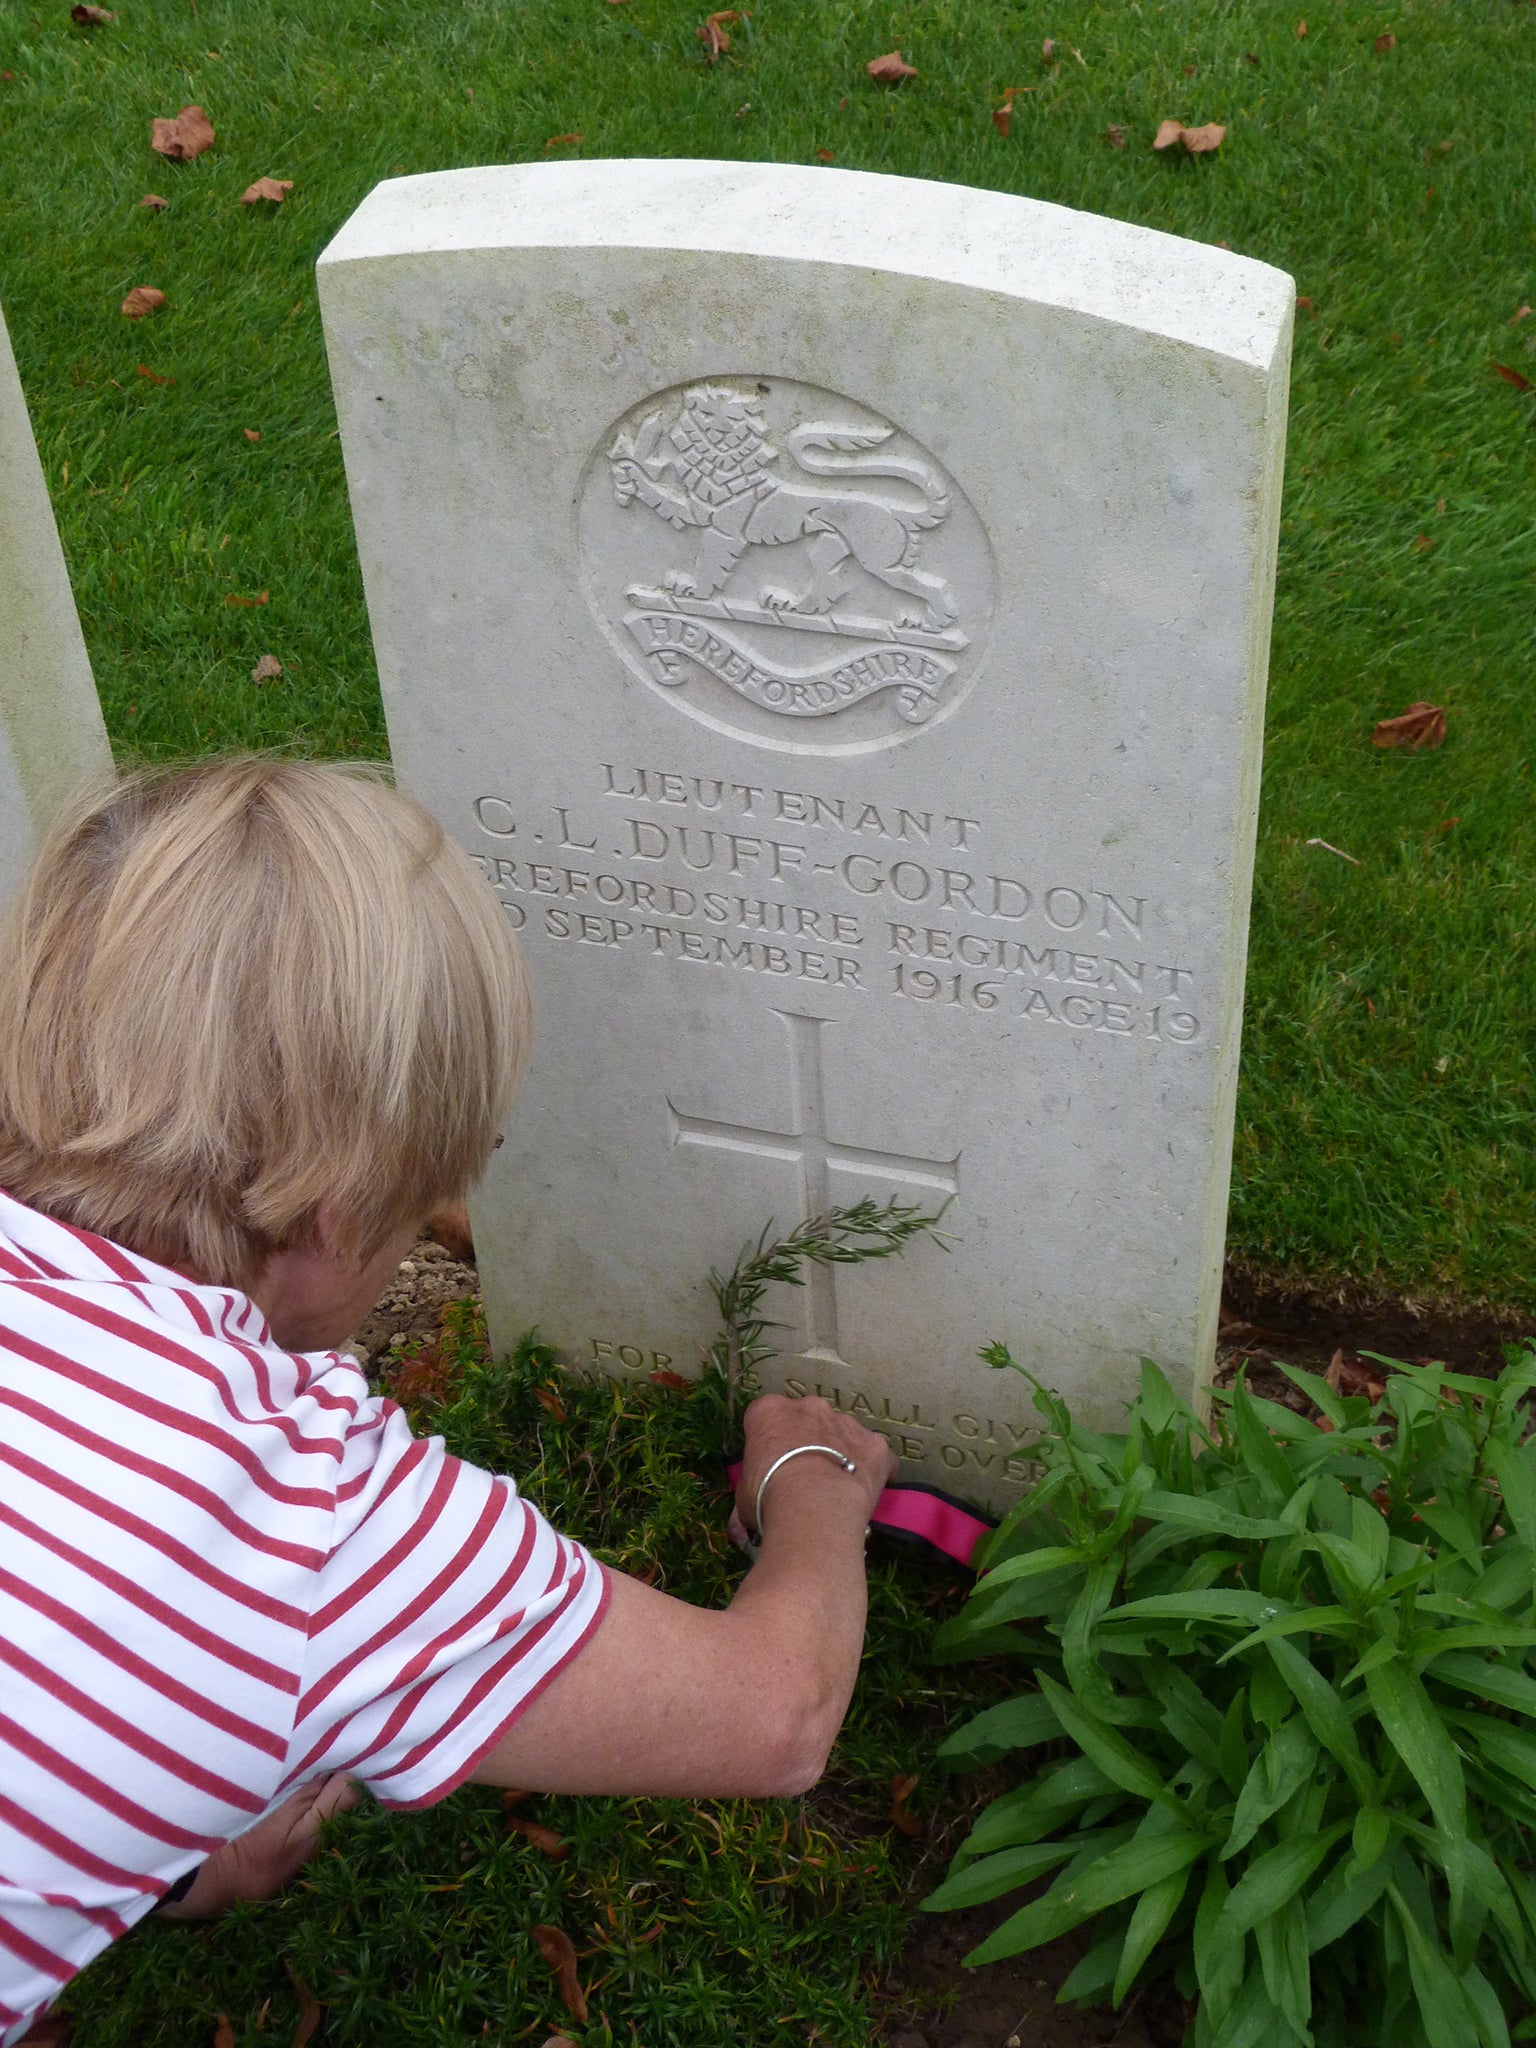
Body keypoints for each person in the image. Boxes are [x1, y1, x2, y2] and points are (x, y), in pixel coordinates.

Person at [0, 758, 895, 2046]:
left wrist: (167, 1863)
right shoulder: (294, 1519)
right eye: (427, 1204)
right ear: (341, 1216)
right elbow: (775, 1716)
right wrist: (814, 1490)